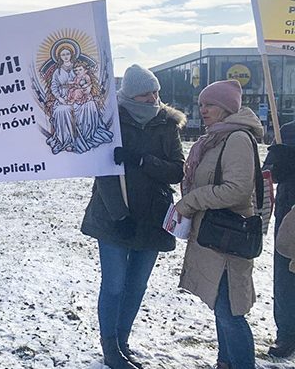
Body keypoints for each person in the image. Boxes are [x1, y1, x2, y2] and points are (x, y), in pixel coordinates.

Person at [81, 64, 185, 369]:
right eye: (145, 94)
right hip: (115, 218)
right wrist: (119, 215)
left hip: (153, 217)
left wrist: (141, 160)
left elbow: (176, 169)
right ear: (130, 95)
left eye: (155, 91)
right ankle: (110, 346)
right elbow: (104, 174)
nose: (153, 98)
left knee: (136, 285)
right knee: (114, 284)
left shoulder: (167, 124)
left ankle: (123, 340)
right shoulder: (110, 121)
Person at [176, 80, 263, 369]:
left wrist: (192, 200)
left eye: (210, 104)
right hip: (215, 235)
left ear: (226, 108)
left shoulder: (236, 138)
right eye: (201, 104)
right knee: (221, 307)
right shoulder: (215, 138)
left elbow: (237, 189)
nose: (203, 110)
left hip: (229, 237)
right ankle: (225, 362)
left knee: (230, 312)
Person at [263, 120, 295, 358]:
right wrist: (277, 163)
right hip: (289, 215)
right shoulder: (288, 130)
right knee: (285, 274)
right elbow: (269, 172)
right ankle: (287, 332)